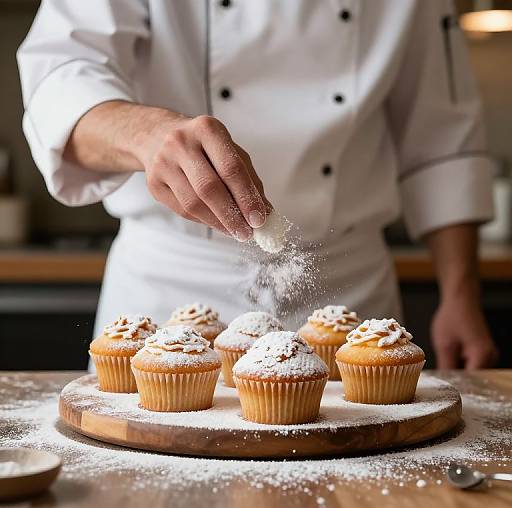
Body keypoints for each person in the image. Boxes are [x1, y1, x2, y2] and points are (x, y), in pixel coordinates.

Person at [18, 0, 498, 369]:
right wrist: (147, 134)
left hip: (348, 300)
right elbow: (60, 79)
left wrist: (460, 294)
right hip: (170, 293)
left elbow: (441, 136)